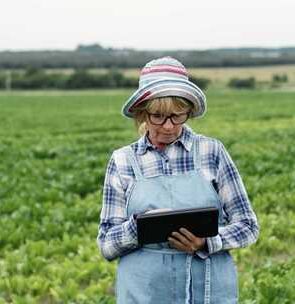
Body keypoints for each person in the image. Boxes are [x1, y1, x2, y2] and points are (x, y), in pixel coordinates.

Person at [97, 56, 259, 304]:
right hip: (145, 293)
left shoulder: (211, 152)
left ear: (189, 112)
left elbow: (248, 226)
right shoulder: (123, 161)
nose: (169, 126)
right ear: (141, 114)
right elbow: (107, 244)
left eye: (177, 116)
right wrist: (139, 227)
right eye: (158, 117)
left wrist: (207, 241)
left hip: (207, 290)